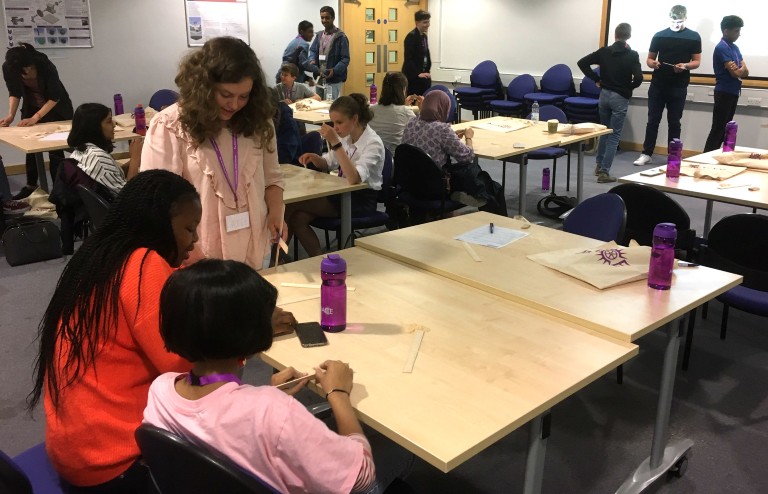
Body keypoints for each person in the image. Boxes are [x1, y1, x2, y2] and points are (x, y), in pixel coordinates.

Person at [145, 259, 413, 493]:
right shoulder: (273, 413)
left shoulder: (161, 391)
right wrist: (339, 394)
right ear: (252, 330)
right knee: (399, 448)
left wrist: (262, 396)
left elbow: (219, 423)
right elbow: (362, 478)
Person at [28, 170, 202, 492]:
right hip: (113, 463)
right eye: (189, 229)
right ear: (161, 224)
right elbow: (183, 366)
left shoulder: (103, 254)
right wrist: (244, 336)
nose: (195, 239)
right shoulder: (144, 265)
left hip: (72, 449)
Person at [141, 36, 285, 271]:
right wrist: (190, 251)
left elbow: (273, 179)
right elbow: (158, 204)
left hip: (255, 249)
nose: (234, 104)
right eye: (226, 95)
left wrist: (276, 213)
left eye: (244, 96)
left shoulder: (258, 122)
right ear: (204, 87)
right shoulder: (170, 126)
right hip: (198, 256)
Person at [287, 94, 383, 257]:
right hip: (341, 192)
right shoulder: (346, 138)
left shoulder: (373, 143)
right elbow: (328, 163)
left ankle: (274, 257)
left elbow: (354, 178)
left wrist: (335, 143)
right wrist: (316, 158)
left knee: (290, 205)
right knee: (298, 219)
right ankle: (319, 259)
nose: (336, 127)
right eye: (333, 123)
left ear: (354, 119)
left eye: (339, 122)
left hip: (360, 199)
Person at [402, 90, 507, 216]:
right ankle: (496, 221)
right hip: (436, 187)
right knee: (491, 186)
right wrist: (468, 137)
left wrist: (452, 137)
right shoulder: (442, 129)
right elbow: (467, 157)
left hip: (411, 184)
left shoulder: (411, 123)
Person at [1, 42, 73, 199]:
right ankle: (31, 186)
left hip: (56, 107)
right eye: (23, 72)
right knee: (30, 145)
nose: (27, 73)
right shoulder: (9, 68)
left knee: (55, 149)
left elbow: (55, 97)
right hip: (31, 105)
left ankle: (58, 190)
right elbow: (14, 92)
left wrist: (36, 117)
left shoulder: (45, 64)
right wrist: (10, 115)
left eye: (29, 69)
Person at [633, 5, 701, 166]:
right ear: (669, 18)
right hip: (658, 84)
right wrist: (653, 64)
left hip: (679, 85)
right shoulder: (659, 35)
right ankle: (646, 153)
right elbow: (649, 59)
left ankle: (674, 156)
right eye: (673, 21)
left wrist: (685, 66)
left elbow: (697, 61)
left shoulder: (694, 36)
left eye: (679, 21)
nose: (676, 24)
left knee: (675, 121)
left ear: (685, 18)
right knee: (653, 121)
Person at [578, 22, 643, 183]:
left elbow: (582, 63)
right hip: (620, 97)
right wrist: (628, 88)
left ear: (615, 35)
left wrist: (596, 79)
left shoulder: (604, 52)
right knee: (614, 135)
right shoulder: (632, 55)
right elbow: (639, 78)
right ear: (629, 36)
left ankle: (599, 165)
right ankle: (604, 172)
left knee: (604, 132)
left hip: (604, 95)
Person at [67, 103, 143, 196]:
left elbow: (112, 174)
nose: (114, 125)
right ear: (94, 127)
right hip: (120, 207)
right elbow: (128, 195)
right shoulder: (98, 157)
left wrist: (133, 161)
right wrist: (135, 158)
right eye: (109, 121)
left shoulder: (83, 150)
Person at [703, 15, 748, 152]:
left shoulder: (735, 48)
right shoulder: (722, 47)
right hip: (724, 92)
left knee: (725, 129)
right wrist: (740, 70)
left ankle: (716, 156)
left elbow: (745, 71)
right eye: (736, 31)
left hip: (733, 91)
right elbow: (735, 73)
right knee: (718, 128)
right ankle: (706, 157)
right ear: (725, 31)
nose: (739, 34)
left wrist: (740, 70)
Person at [369, 72, 421, 156]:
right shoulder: (406, 112)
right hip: (394, 159)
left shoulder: (372, 109)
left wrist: (404, 106)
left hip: (374, 156)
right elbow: (421, 130)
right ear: (403, 90)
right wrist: (421, 110)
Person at [309, 6, 350, 100]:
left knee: (330, 106)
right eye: (322, 18)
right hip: (319, 77)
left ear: (333, 18)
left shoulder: (341, 37)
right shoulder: (319, 35)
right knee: (318, 103)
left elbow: (345, 59)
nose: (324, 20)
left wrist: (335, 70)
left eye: (327, 18)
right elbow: (313, 50)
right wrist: (312, 60)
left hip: (333, 79)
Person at [275, 20, 318, 85]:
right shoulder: (303, 44)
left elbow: (297, 65)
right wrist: (317, 69)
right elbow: (304, 64)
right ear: (302, 32)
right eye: (310, 32)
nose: (312, 35)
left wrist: (307, 78)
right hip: (289, 79)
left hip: (282, 76)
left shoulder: (293, 42)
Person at [402, 10, 432, 96]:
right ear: (417, 22)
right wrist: (418, 74)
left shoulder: (424, 36)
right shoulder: (411, 37)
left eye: (428, 22)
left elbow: (426, 55)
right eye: (425, 22)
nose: (428, 25)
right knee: (414, 103)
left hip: (424, 75)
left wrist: (427, 71)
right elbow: (409, 59)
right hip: (413, 77)